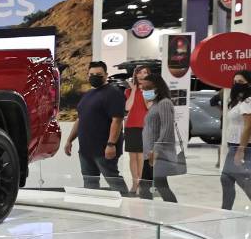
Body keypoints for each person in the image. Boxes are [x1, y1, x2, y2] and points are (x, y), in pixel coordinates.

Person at [65, 61, 130, 194]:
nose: (95, 76)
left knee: (113, 180)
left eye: (99, 74)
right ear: (87, 75)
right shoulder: (88, 95)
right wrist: (69, 140)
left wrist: (111, 144)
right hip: (85, 150)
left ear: (106, 75)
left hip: (104, 149)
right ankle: (93, 208)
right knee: (90, 183)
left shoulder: (113, 93)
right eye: (92, 74)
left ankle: (126, 207)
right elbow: (80, 119)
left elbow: (117, 120)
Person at [138, 73, 182, 203]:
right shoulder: (155, 104)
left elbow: (167, 128)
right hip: (150, 154)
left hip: (157, 154)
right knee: (149, 186)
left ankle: (173, 213)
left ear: (157, 87)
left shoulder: (164, 103)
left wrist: (156, 150)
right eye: (143, 88)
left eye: (148, 88)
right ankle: (151, 214)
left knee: (159, 186)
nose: (144, 91)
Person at [220, 70, 251, 210]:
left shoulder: (248, 101)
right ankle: (225, 212)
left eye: (241, 82)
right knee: (226, 178)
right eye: (235, 82)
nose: (237, 85)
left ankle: (225, 212)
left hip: (242, 146)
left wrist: (241, 149)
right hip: (233, 145)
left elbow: (248, 126)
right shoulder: (237, 101)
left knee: (242, 179)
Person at [124, 64, 151, 189]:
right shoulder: (128, 91)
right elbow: (127, 107)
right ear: (135, 75)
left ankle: (140, 183)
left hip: (144, 126)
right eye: (139, 72)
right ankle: (134, 183)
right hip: (130, 125)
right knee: (132, 156)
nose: (141, 75)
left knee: (140, 156)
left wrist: (144, 90)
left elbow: (149, 107)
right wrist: (134, 90)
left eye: (144, 72)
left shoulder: (150, 91)